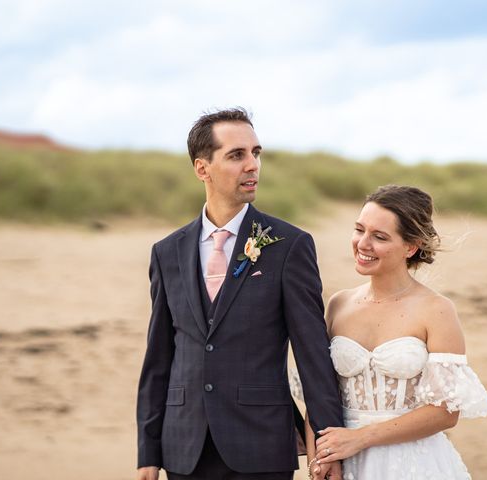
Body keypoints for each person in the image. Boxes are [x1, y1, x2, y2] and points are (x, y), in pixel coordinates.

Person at [136, 108, 344, 480]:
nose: (252, 165)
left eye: (256, 153)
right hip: (183, 448)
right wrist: (147, 452)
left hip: (261, 445)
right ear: (203, 168)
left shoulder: (289, 245)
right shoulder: (166, 252)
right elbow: (159, 359)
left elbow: (313, 354)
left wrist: (327, 446)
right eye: (237, 155)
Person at [305, 185, 487, 479]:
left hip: (412, 464)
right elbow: (319, 392)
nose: (362, 244)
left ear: (411, 246)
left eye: (379, 237)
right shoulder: (339, 304)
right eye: (359, 230)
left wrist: (361, 437)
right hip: (344, 462)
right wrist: (320, 460)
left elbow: (446, 412)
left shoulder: (437, 310)